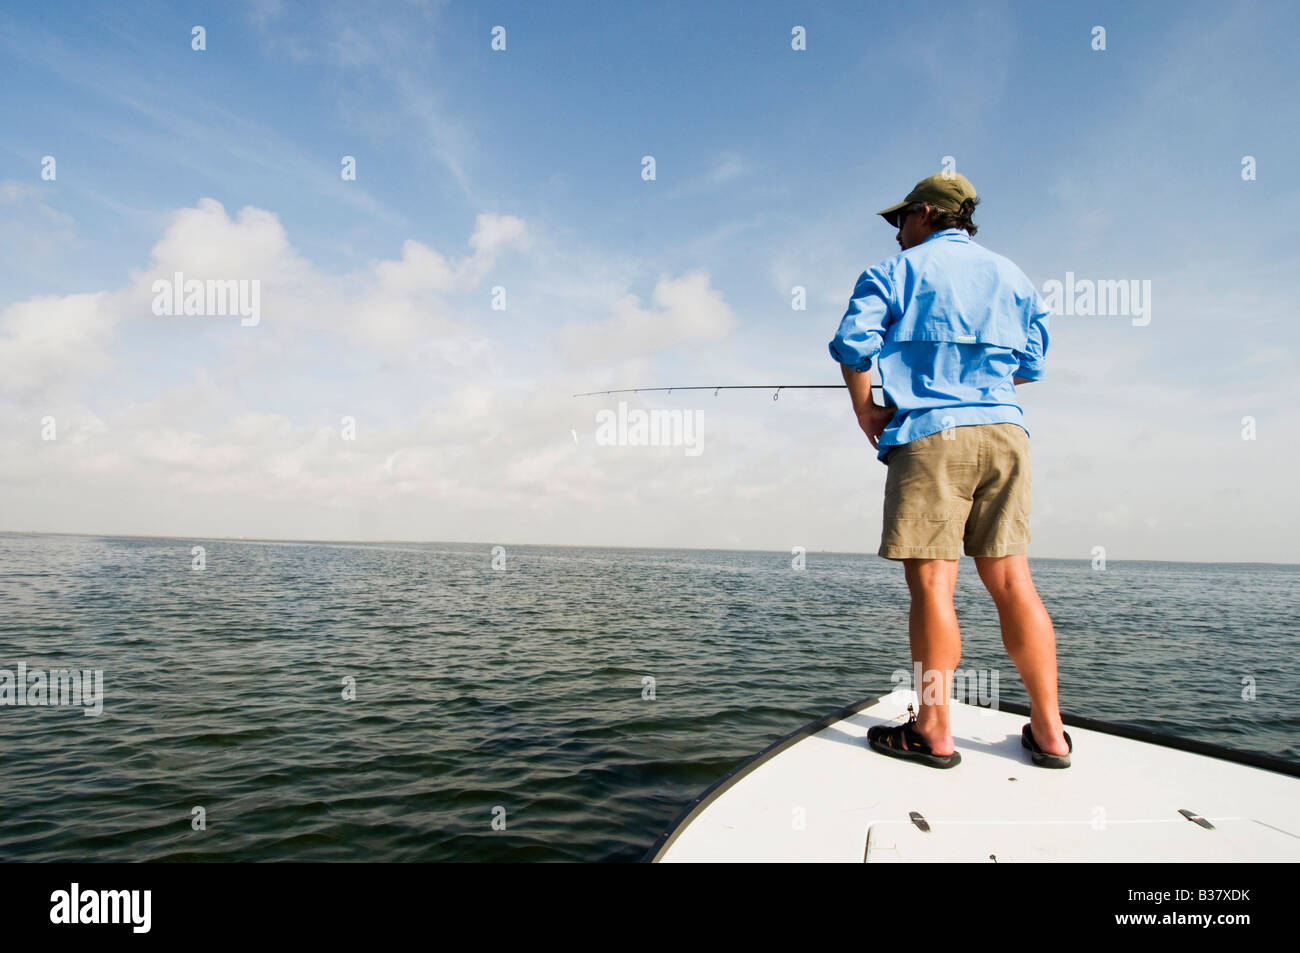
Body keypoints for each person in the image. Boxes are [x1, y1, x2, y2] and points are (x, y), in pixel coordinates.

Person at [828, 172, 1072, 769]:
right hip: (1008, 435)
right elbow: (1033, 362)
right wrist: (977, 383)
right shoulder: (1012, 276)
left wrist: (868, 411)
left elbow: (852, 346)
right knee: (1014, 583)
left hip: (932, 438)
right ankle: (1049, 732)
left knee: (935, 587)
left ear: (929, 212)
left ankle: (935, 729)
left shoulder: (892, 273)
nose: (897, 233)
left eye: (901, 219)